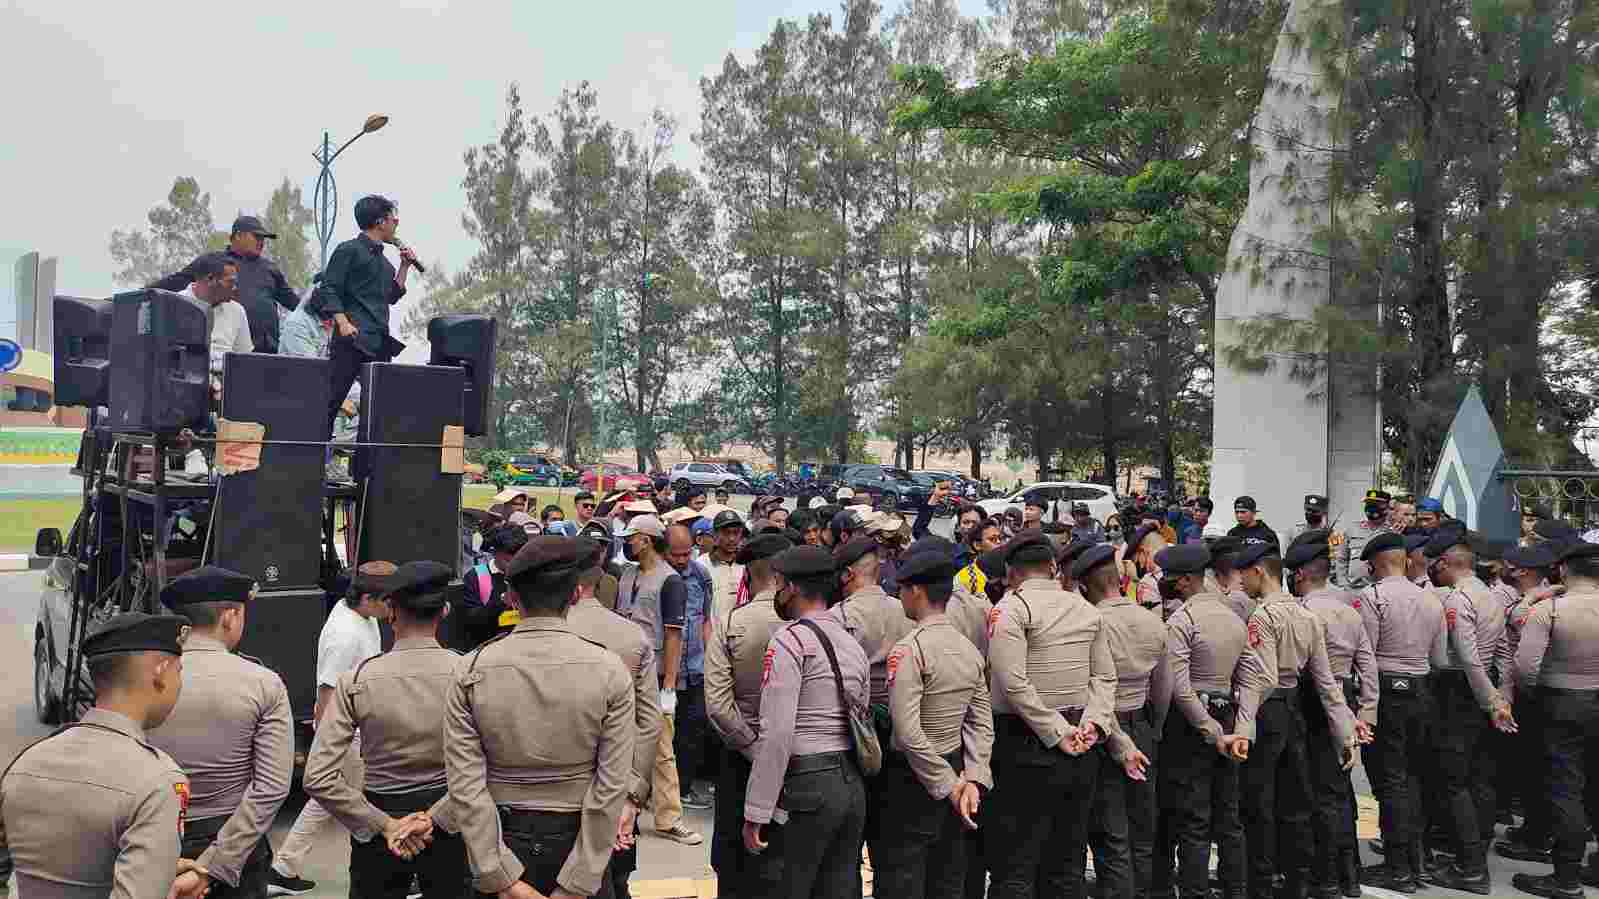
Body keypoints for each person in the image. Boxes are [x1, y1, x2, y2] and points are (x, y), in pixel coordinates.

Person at [445, 535, 633, 898]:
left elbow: (465, 785)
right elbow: (611, 786)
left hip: (500, 836)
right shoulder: (609, 669)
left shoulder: (472, 669)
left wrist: (503, 879)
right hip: (579, 838)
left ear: (512, 598)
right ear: (576, 595)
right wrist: (577, 882)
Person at [1, 612, 195, 899]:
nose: (180, 683)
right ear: (160, 671)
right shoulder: (158, 780)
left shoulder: (26, 762)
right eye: (179, 671)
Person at [302, 560, 467, 899]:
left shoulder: (357, 681)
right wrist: (433, 819)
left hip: (379, 824)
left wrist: (386, 824)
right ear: (444, 611)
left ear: (391, 612)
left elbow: (317, 777)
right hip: (450, 824)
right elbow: (490, 765)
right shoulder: (468, 673)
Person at [984, 531, 1117, 899]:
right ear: (1054, 567)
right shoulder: (1086, 609)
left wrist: (1056, 732)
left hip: (1024, 746)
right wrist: (1093, 724)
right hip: (1082, 744)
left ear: (1011, 572)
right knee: (1066, 863)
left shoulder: (1011, 609)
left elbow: (1014, 684)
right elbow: (1105, 676)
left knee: (1015, 864)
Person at [149, 566, 294, 899]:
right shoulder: (262, 682)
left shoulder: (146, 678)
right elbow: (271, 787)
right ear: (230, 616)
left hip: (155, 836)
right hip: (236, 843)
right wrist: (215, 865)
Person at [742, 545, 871, 899]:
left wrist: (757, 808)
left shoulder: (790, 640)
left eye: (780, 583)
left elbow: (777, 733)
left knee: (788, 886)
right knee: (838, 887)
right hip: (851, 785)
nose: (777, 593)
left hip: (807, 786)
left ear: (794, 588)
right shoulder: (850, 641)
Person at [1231, 541, 1359, 899]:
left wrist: (1243, 726)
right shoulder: (1307, 616)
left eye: (1244, 574)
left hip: (1267, 711)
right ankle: (1298, 881)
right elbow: (1327, 683)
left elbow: (1264, 678)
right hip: (1295, 714)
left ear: (1259, 572)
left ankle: (1260, 882)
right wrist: (1345, 734)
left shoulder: (1262, 616)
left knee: (1258, 803)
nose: (1240, 581)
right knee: (1295, 802)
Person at [877, 538, 994, 899]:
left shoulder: (910, 649)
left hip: (912, 778)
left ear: (916, 591)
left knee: (902, 878)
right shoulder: (968, 650)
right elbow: (980, 725)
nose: (900, 598)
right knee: (947, 878)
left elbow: (908, 732)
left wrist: (950, 785)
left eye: (902, 590)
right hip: (955, 766)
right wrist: (973, 778)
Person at [269, 561, 394, 895]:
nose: (393, 609)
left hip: (356, 726)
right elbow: (328, 690)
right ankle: (390, 864)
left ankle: (283, 867)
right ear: (368, 597)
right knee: (355, 800)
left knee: (333, 799)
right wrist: (327, 742)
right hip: (346, 731)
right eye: (389, 601)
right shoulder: (345, 632)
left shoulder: (361, 617)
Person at [1154, 543, 1269, 899]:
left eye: (1170, 579)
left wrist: (1210, 730)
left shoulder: (1181, 621)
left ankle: (1195, 891)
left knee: (1194, 818)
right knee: (1229, 815)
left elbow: (1180, 687)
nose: (1165, 583)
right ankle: (1236, 890)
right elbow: (1254, 678)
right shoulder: (1235, 619)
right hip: (1228, 717)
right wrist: (1242, 729)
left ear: (1186, 581)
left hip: (1192, 726)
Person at [565, 544, 663, 899]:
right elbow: (649, 722)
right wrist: (634, 795)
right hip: (617, 783)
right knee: (616, 882)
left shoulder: (536, 635)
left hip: (555, 798)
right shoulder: (631, 635)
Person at [1422, 525, 1517, 893]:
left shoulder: (1458, 600)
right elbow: (1503, 656)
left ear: (1446, 563)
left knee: (1454, 781)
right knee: (1479, 776)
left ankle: (1472, 868)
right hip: (1481, 688)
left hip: (1460, 691)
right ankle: (1475, 849)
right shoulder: (1490, 595)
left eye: (1434, 564)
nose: (1432, 571)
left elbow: (1467, 658)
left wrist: (1490, 700)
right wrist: (1501, 694)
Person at [1286, 530, 1378, 898]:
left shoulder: (1300, 612)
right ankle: (1348, 874)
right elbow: (1367, 665)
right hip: (1345, 696)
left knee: (1309, 793)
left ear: (1300, 576)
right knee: (1339, 790)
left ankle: (1321, 878)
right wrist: (1365, 713)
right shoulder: (1348, 610)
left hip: (1310, 700)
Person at [1354, 532, 1445, 892]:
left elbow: (1367, 656)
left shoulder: (1372, 596)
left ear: (1375, 563)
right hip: (1422, 689)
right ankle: (1415, 863)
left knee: (1388, 782)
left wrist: (1365, 707)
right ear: (1405, 560)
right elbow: (1438, 658)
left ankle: (1398, 869)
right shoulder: (1431, 600)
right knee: (1412, 779)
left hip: (1385, 691)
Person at [1508, 541, 1599, 899]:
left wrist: (1534, 695)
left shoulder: (1551, 610)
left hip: (1561, 701)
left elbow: (1524, 667)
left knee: (1566, 788)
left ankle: (1566, 878)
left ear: (1562, 571)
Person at [705, 534, 792, 899]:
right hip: (793, 760)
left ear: (748, 576)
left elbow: (718, 706)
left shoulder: (731, 624)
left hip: (739, 759)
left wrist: (752, 747)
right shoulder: (808, 624)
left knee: (735, 862)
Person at [1078, 542, 1166, 899]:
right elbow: (1164, 687)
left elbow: (1090, 686)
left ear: (1085, 587)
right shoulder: (1152, 620)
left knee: (1110, 830)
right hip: (1142, 723)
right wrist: (1154, 726)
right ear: (1120, 581)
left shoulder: (1091, 624)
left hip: (1105, 729)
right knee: (1142, 826)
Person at [615, 515, 702, 846]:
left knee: (661, 744)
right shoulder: (627, 574)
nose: (627, 543)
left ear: (647, 540)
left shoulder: (671, 581)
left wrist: (669, 685)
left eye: (632, 537)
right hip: (622, 668)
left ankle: (669, 817)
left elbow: (674, 636)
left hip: (653, 673)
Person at [832, 535, 915, 872]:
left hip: (856, 731)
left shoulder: (840, 615)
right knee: (891, 838)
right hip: (900, 724)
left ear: (847, 574)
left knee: (848, 842)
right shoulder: (904, 609)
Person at [320, 195, 418, 438]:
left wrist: (404, 266)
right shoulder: (348, 250)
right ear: (379, 222)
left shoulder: (384, 263)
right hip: (351, 339)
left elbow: (392, 296)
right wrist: (342, 322)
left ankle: (366, 471)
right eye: (391, 217)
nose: (396, 222)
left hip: (378, 341)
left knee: (379, 409)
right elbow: (329, 288)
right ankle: (310, 465)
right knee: (330, 403)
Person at [1496, 543, 1561, 864]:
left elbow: (1519, 621)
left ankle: (1539, 836)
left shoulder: (1542, 601)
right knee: (1530, 767)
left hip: (1540, 692)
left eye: (1508, 564)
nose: (1501, 567)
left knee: (1539, 769)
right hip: (1534, 691)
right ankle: (1534, 829)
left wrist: (1531, 598)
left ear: (1522, 571)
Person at [665, 523, 716, 812]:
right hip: (666, 673)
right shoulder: (659, 577)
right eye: (677, 555)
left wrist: (710, 659)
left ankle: (683, 789)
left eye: (687, 554)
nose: (683, 560)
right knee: (661, 733)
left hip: (695, 669)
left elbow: (705, 618)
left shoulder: (700, 574)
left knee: (691, 732)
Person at [176, 252, 250, 402]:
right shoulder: (174, 305)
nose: (236, 288)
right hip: (185, 390)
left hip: (227, 392)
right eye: (231, 282)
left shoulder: (237, 311)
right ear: (210, 279)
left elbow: (244, 361)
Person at [222, 216, 301, 354]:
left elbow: (295, 303)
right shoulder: (216, 263)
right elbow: (179, 286)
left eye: (263, 238)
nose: (261, 242)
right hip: (232, 348)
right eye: (257, 237)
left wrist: (325, 311)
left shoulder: (270, 268)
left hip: (269, 349)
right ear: (239, 236)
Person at [449, 524, 526, 652]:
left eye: (518, 560)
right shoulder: (478, 577)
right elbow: (471, 621)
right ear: (495, 552)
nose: (514, 566)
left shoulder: (528, 574)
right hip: (487, 648)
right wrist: (501, 602)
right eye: (508, 561)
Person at [1338, 490, 1393, 588]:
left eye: (1376, 504)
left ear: (1386, 508)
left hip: (1381, 590)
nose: (1371, 508)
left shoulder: (1392, 532)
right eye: (1369, 504)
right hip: (1354, 589)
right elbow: (1342, 559)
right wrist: (1343, 584)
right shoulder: (1353, 530)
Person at [706, 509, 747, 619]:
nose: (732, 538)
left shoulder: (748, 565)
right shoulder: (702, 565)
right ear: (714, 534)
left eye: (736, 533)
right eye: (726, 533)